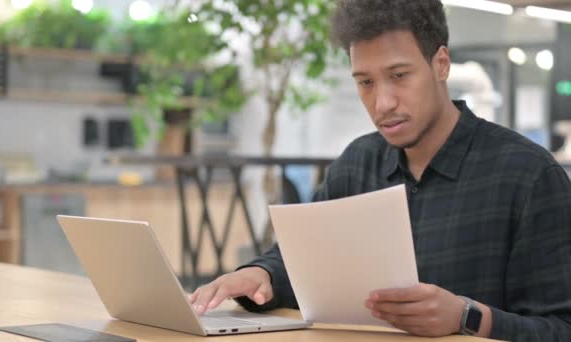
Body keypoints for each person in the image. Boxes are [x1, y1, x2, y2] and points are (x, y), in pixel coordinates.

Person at [190, 0, 571, 340]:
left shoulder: (528, 175)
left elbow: (561, 328)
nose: (382, 102)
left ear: (441, 64)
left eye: (399, 75)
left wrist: (468, 317)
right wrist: (262, 275)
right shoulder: (356, 165)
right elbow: (298, 264)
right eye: (366, 82)